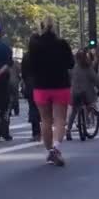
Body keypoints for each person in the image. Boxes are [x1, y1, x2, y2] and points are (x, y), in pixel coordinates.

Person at [29, 17, 74, 166]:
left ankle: (49, 152)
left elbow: (31, 65)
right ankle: (56, 148)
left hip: (41, 86)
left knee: (45, 120)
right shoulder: (62, 44)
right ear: (55, 27)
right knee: (60, 119)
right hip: (60, 85)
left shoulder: (35, 44)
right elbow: (70, 63)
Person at [66, 50, 99, 141]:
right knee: (89, 104)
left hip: (75, 93)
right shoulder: (88, 67)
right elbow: (96, 79)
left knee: (73, 112)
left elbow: (69, 77)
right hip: (86, 93)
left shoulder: (74, 68)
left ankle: (68, 131)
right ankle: (87, 119)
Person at [21, 34, 41, 142]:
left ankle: (36, 132)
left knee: (33, 107)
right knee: (44, 108)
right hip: (42, 84)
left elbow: (23, 73)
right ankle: (46, 130)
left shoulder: (26, 56)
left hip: (30, 84)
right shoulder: (43, 55)